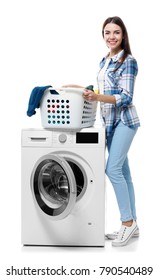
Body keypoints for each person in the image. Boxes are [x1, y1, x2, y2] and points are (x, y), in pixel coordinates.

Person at [63, 16, 140, 247]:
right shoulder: (104, 60)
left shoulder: (128, 61)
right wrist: (82, 89)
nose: (112, 36)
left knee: (112, 169)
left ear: (123, 35)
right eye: (107, 32)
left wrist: (97, 96)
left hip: (125, 121)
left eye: (116, 32)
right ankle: (134, 223)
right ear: (103, 35)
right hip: (109, 123)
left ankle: (127, 223)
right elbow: (100, 90)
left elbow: (126, 97)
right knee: (124, 174)